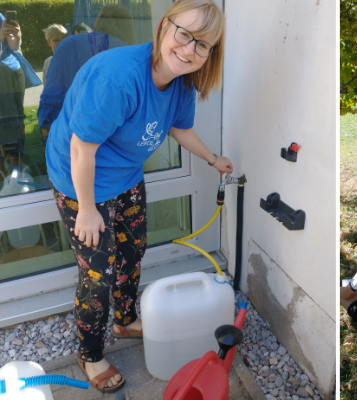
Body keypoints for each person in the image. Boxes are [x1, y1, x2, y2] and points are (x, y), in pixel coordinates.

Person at [42, 0, 229, 391]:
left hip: (125, 175)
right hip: (80, 178)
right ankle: (90, 353)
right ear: (165, 26)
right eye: (184, 35)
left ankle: (125, 320)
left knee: (133, 250)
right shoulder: (119, 77)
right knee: (97, 273)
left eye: (203, 45)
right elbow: (81, 150)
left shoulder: (182, 83)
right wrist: (88, 209)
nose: (189, 50)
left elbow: (180, 129)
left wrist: (213, 159)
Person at [38, 5, 138, 141]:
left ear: (97, 23)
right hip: (110, 137)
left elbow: (52, 93)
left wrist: (46, 128)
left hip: (65, 130)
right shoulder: (128, 52)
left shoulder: (68, 44)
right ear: (128, 28)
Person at [0, 13, 40, 162]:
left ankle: (17, 161)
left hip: (14, 71)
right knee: (4, 120)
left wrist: (17, 35)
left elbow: (14, 47)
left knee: (17, 119)